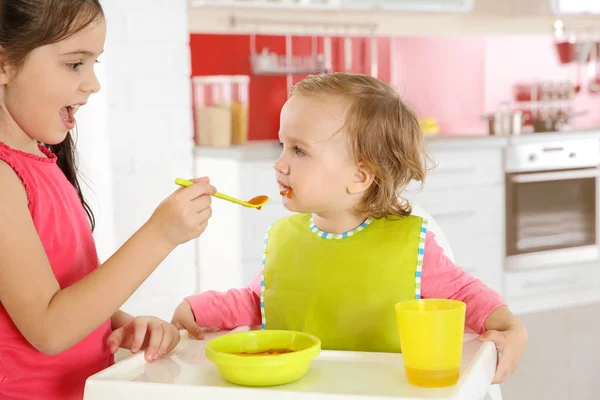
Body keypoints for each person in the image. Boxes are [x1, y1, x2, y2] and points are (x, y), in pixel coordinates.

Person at [172, 72, 527, 384]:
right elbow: (260, 301)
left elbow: (466, 297)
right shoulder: (285, 237)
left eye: (299, 151)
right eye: (283, 145)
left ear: (359, 175)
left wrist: (511, 329)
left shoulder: (412, 246)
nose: (279, 164)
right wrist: (198, 309)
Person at [0, 1, 215, 398]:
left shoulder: (42, 162)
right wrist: (160, 235)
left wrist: (120, 322)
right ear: (4, 64)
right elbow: (49, 329)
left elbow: (62, 290)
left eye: (94, 63)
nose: (93, 83)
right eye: (74, 64)